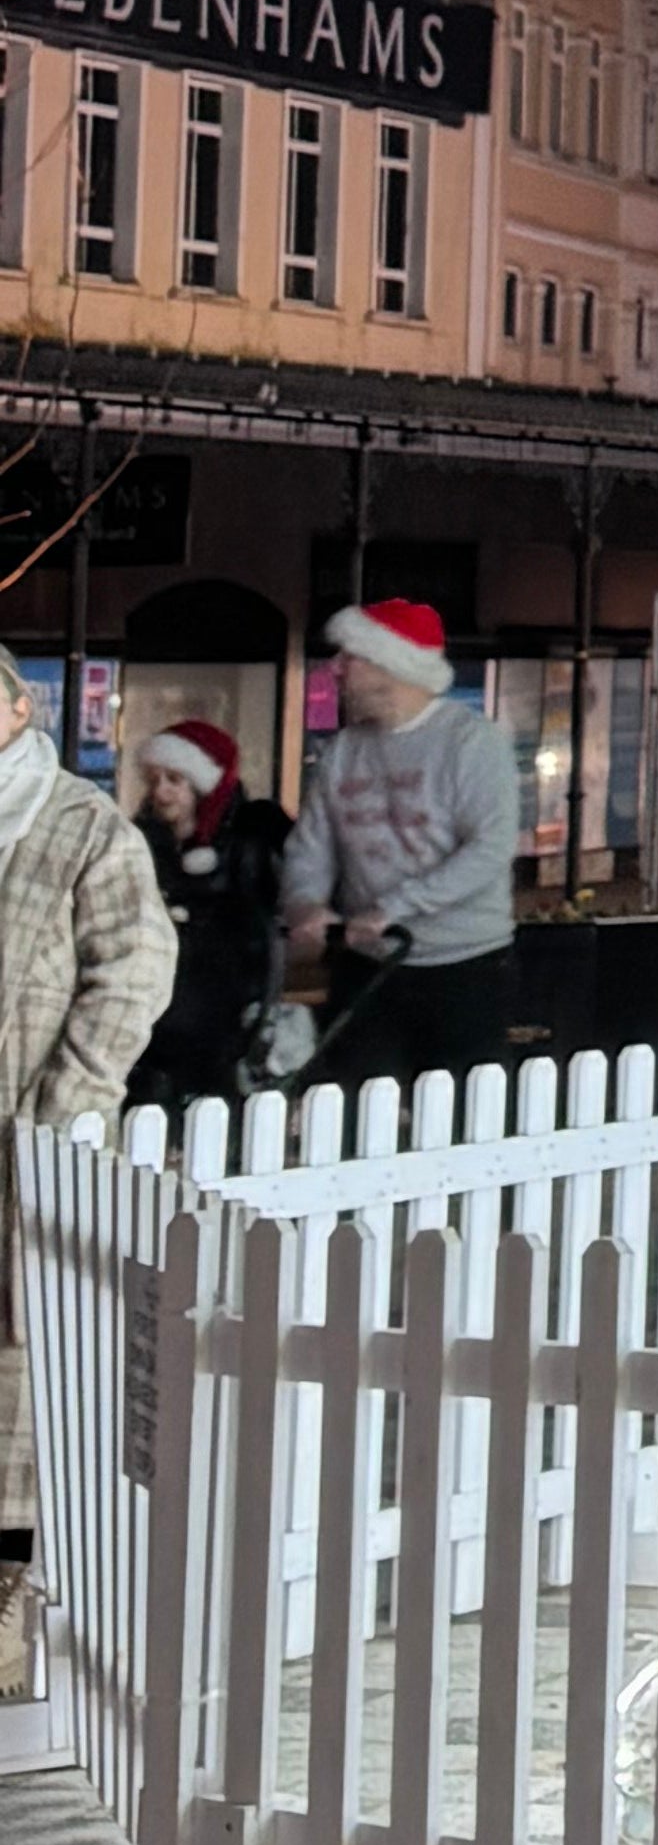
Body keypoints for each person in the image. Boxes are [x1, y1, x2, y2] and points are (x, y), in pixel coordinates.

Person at [0, 663, 181, 1554]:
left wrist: (69, 1097)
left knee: (21, 1354)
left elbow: (133, 969)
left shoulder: (77, 822)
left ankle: (10, 1587)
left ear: (19, 708)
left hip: (22, 1123)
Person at [285, 598, 519, 1092]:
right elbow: (311, 846)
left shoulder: (471, 743)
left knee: (458, 1114)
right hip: (367, 964)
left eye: (349, 657)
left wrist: (394, 907)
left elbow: (490, 847)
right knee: (358, 1110)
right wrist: (306, 903)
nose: (336, 670)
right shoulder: (343, 751)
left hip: (463, 966)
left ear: (389, 665)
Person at [130, 721, 293, 1113]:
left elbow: (265, 915)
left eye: (174, 780)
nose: (161, 791)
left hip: (225, 986)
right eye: (155, 780)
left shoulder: (246, 840)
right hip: (165, 982)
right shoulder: (144, 841)